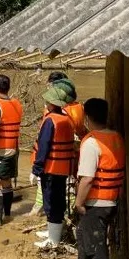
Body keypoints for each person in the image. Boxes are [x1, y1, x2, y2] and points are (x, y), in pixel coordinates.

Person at [74, 98, 124, 259]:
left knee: (97, 244)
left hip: (96, 201)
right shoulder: (116, 137)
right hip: (112, 198)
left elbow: (87, 179)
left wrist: (79, 203)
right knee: (84, 233)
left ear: (86, 118)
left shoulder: (92, 142)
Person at [31, 74, 86, 216]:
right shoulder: (74, 111)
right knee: (62, 193)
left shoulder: (56, 118)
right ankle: (63, 216)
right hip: (66, 161)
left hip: (51, 164)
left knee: (52, 198)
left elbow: (45, 144)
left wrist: (36, 168)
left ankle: (49, 222)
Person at [30, 83, 76, 249]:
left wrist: (36, 169)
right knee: (57, 201)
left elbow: (44, 146)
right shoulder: (67, 119)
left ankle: (53, 240)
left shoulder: (50, 121)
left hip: (51, 169)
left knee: (51, 202)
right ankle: (52, 232)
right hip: (63, 169)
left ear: (51, 103)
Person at [0, 75, 23, 226]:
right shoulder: (17, 104)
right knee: (6, 182)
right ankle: (7, 214)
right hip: (14, 149)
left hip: (1, 151)